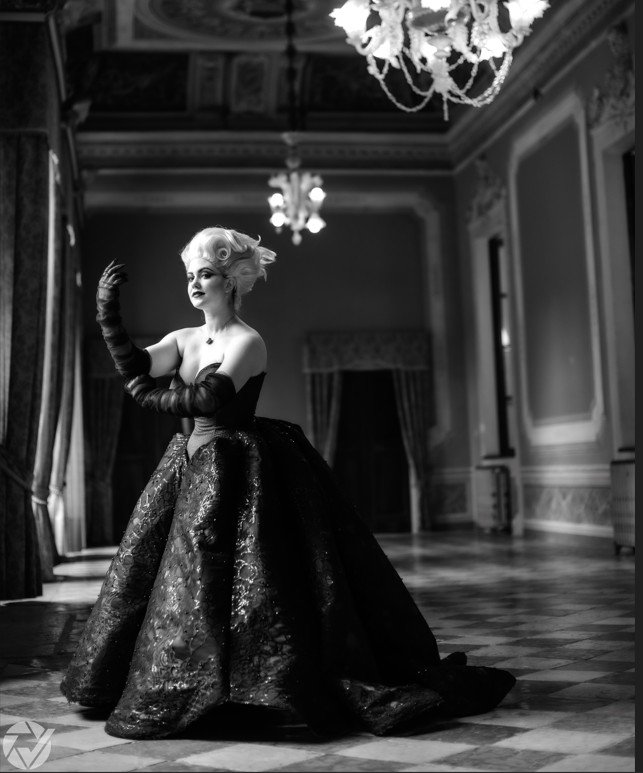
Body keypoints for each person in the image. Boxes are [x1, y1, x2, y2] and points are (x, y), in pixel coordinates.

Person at [61, 225, 515, 740]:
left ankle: (249, 685)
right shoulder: (184, 338)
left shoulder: (247, 342)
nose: (194, 284)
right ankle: (186, 676)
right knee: (177, 577)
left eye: (205, 274)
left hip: (236, 466)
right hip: (190, 463)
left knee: (250, 580)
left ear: (231, 281)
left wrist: (144, 393)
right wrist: (107, 313)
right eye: (189, 275)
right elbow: (135, 364)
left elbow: (205, 400)